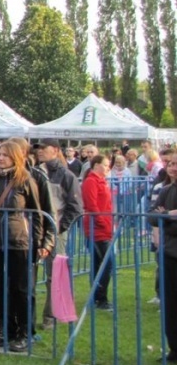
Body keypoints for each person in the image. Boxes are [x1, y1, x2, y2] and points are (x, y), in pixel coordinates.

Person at [0, 141, 50, 352]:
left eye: (5, 155)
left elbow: (37, 214)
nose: (0, 158)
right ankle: (4, 329)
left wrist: (38, 243)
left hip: (20, 241)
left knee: (22, 289)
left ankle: (25, 332)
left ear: (16, 157)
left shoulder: (26, 179)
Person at [33, 138, 82, 330]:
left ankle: (50, 316)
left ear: (55, 150)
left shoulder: (66, 175)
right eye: (38, 148)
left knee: (54, 274)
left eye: (43, 148)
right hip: (34, 229)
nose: (39, 151)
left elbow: (75, 207)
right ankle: (27, 316)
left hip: (55, 230)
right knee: (29, 273)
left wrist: (58, 229)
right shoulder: (34, 172)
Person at [149, 152, 177, 362]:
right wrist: (170, 215)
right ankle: (174, 348)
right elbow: (151, 216)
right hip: (169, 254)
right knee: (170, 304)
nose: (173, 167)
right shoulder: (166, 190)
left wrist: (164, 216)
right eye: (171, 164)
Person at [81, 154, 114, 311]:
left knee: (99, 263)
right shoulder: (91, 181)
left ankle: (97, 297)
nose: (108, 168)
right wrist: (103, 222)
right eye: (105, 165)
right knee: (106, 263)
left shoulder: (102, 181)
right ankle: (100, 298)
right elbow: (92, 205)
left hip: (103, 226)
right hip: (97, 229)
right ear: (96, 165)